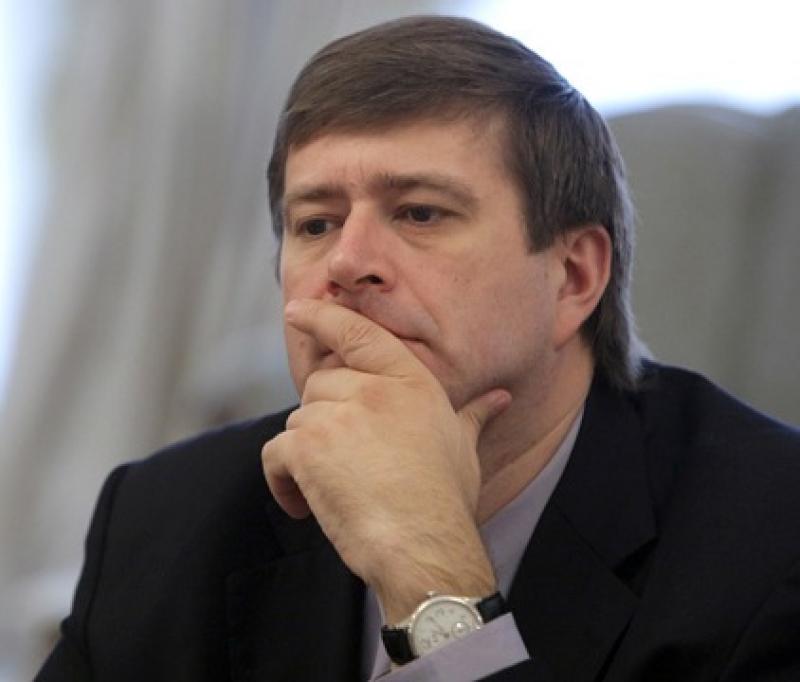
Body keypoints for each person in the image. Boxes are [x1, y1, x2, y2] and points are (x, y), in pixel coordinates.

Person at [37, 15, 800, 682]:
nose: (347, 262)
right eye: (316, 223)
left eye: (420, 213)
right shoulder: (165, 515)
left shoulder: (773, 543)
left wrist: (430, 575)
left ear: (573, 277)